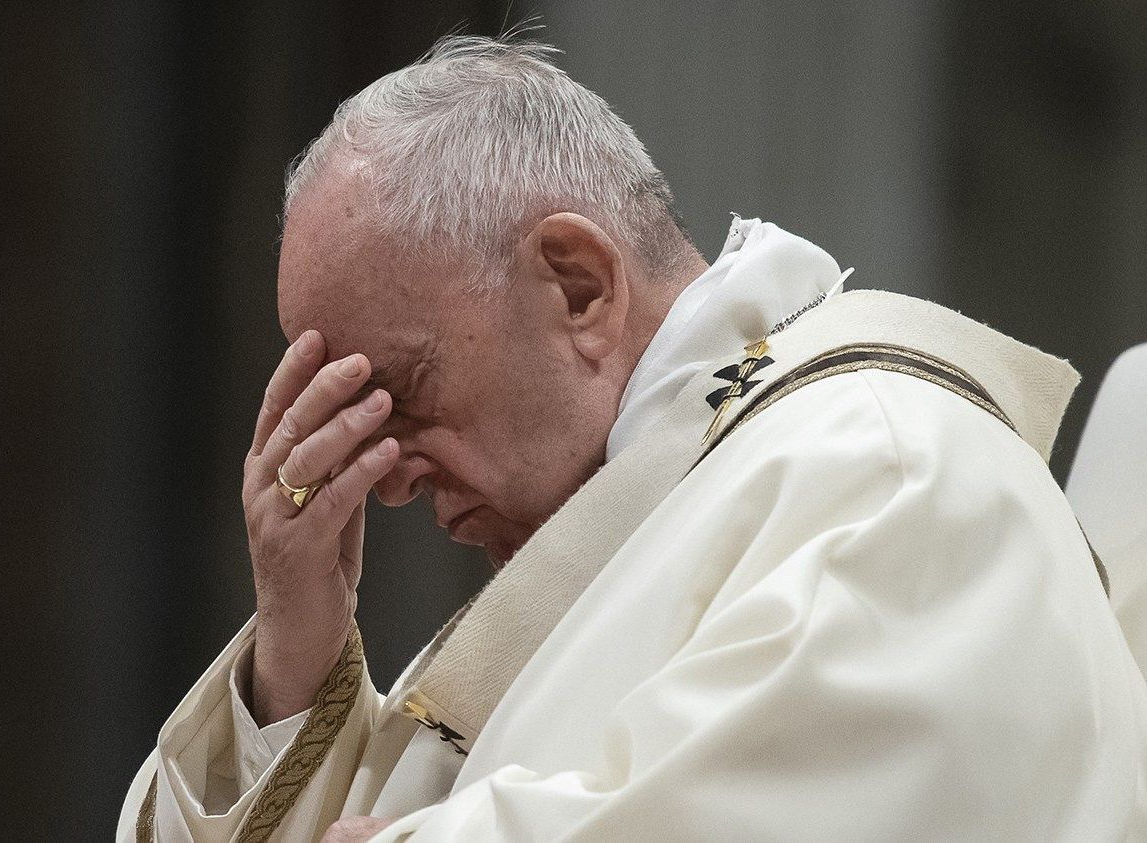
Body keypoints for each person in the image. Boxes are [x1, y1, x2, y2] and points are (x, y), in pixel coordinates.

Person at [118, 36, 1147, 842]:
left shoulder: (888, 470)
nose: (381, 481)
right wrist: (295, 658)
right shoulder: (641, 520)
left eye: (403, 392)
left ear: (578, 283)